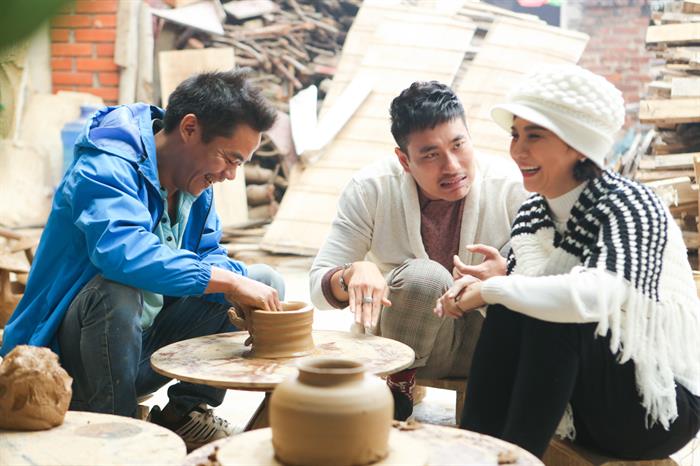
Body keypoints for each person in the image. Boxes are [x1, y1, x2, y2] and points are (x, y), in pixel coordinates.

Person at [0, 70, 286, 450]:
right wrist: (229, 281)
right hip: (64, 362)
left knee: (263, 281)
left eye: (240, 164)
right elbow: (123, 253)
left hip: (138, 349)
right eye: (229, 158)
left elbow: (209, 254)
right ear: (189, 128)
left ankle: (184, 413)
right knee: (117, 291)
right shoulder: (106, 165)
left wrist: (240, 284)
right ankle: (118, 431)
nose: (231, 175)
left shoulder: (195, 182)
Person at [435, 65, 700, 459]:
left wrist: (493, 289)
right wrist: (489, 289)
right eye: (515, 135)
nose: (518, 151)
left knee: (550, 311)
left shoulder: (630, 205)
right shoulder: (533, 214)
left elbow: (593, 299)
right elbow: (519, 316)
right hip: (581, 400)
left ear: (578, 144)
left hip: (655, 406)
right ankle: (477, 451)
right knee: (518, 306)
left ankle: (513, 459)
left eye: (535, 135)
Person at [309, 80, 528, 420]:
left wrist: (507, 275)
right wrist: (351, 273)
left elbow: (552, 277)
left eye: (458, 145)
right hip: (402, 347)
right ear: (404, 160)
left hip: (487, 346)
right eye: (430, 154)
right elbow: (317, 287)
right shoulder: (371, 189)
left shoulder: (512, 188)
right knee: (425, 277)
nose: (452, 166)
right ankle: (398, 390)